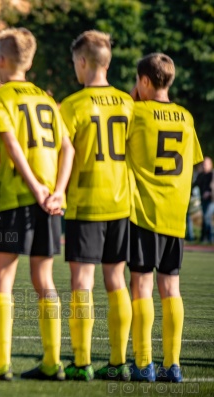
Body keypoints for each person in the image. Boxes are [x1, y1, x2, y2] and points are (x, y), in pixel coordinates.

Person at [0, 28, 74, 381]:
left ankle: (1, 362)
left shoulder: (2, 96)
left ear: (1, 61)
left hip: (19, 197)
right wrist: (58, 191)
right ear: (31, 61)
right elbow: (69, 148)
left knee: (2, 276)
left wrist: (35, 187)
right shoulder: (47, 99)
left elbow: (10, 145)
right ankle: (53, 362)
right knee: (44, 280)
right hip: (50, 200)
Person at [60, 30, 134, 381]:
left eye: (76, 62)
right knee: (117, 280)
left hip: (86, 202)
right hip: (121, 202)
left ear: (84, 62)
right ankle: (119, 362)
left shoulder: (72, 105)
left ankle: (82, 360)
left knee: (82, 283)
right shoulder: (128, 102)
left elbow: (64, 154)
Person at [127, 53, 203, 382]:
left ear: (144, 81)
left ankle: (144, 363)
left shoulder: (135, 112)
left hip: (144, 210)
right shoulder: (186, 118)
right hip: (175, 212)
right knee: (171, 288)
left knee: (141, 286)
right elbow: (195, 159)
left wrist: (133, 101)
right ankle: (173, 365)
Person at [195, 157, 213, 243]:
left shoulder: (212, 175)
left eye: (205, 164)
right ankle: (204, 238)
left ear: (210, 165)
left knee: (206, 217)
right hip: (203, 200)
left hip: (212, 200)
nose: (204, 166)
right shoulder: (201, 175)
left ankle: (209, 238)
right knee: (205, 218)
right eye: (203, 164)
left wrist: (209, 193)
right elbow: (195, 184)